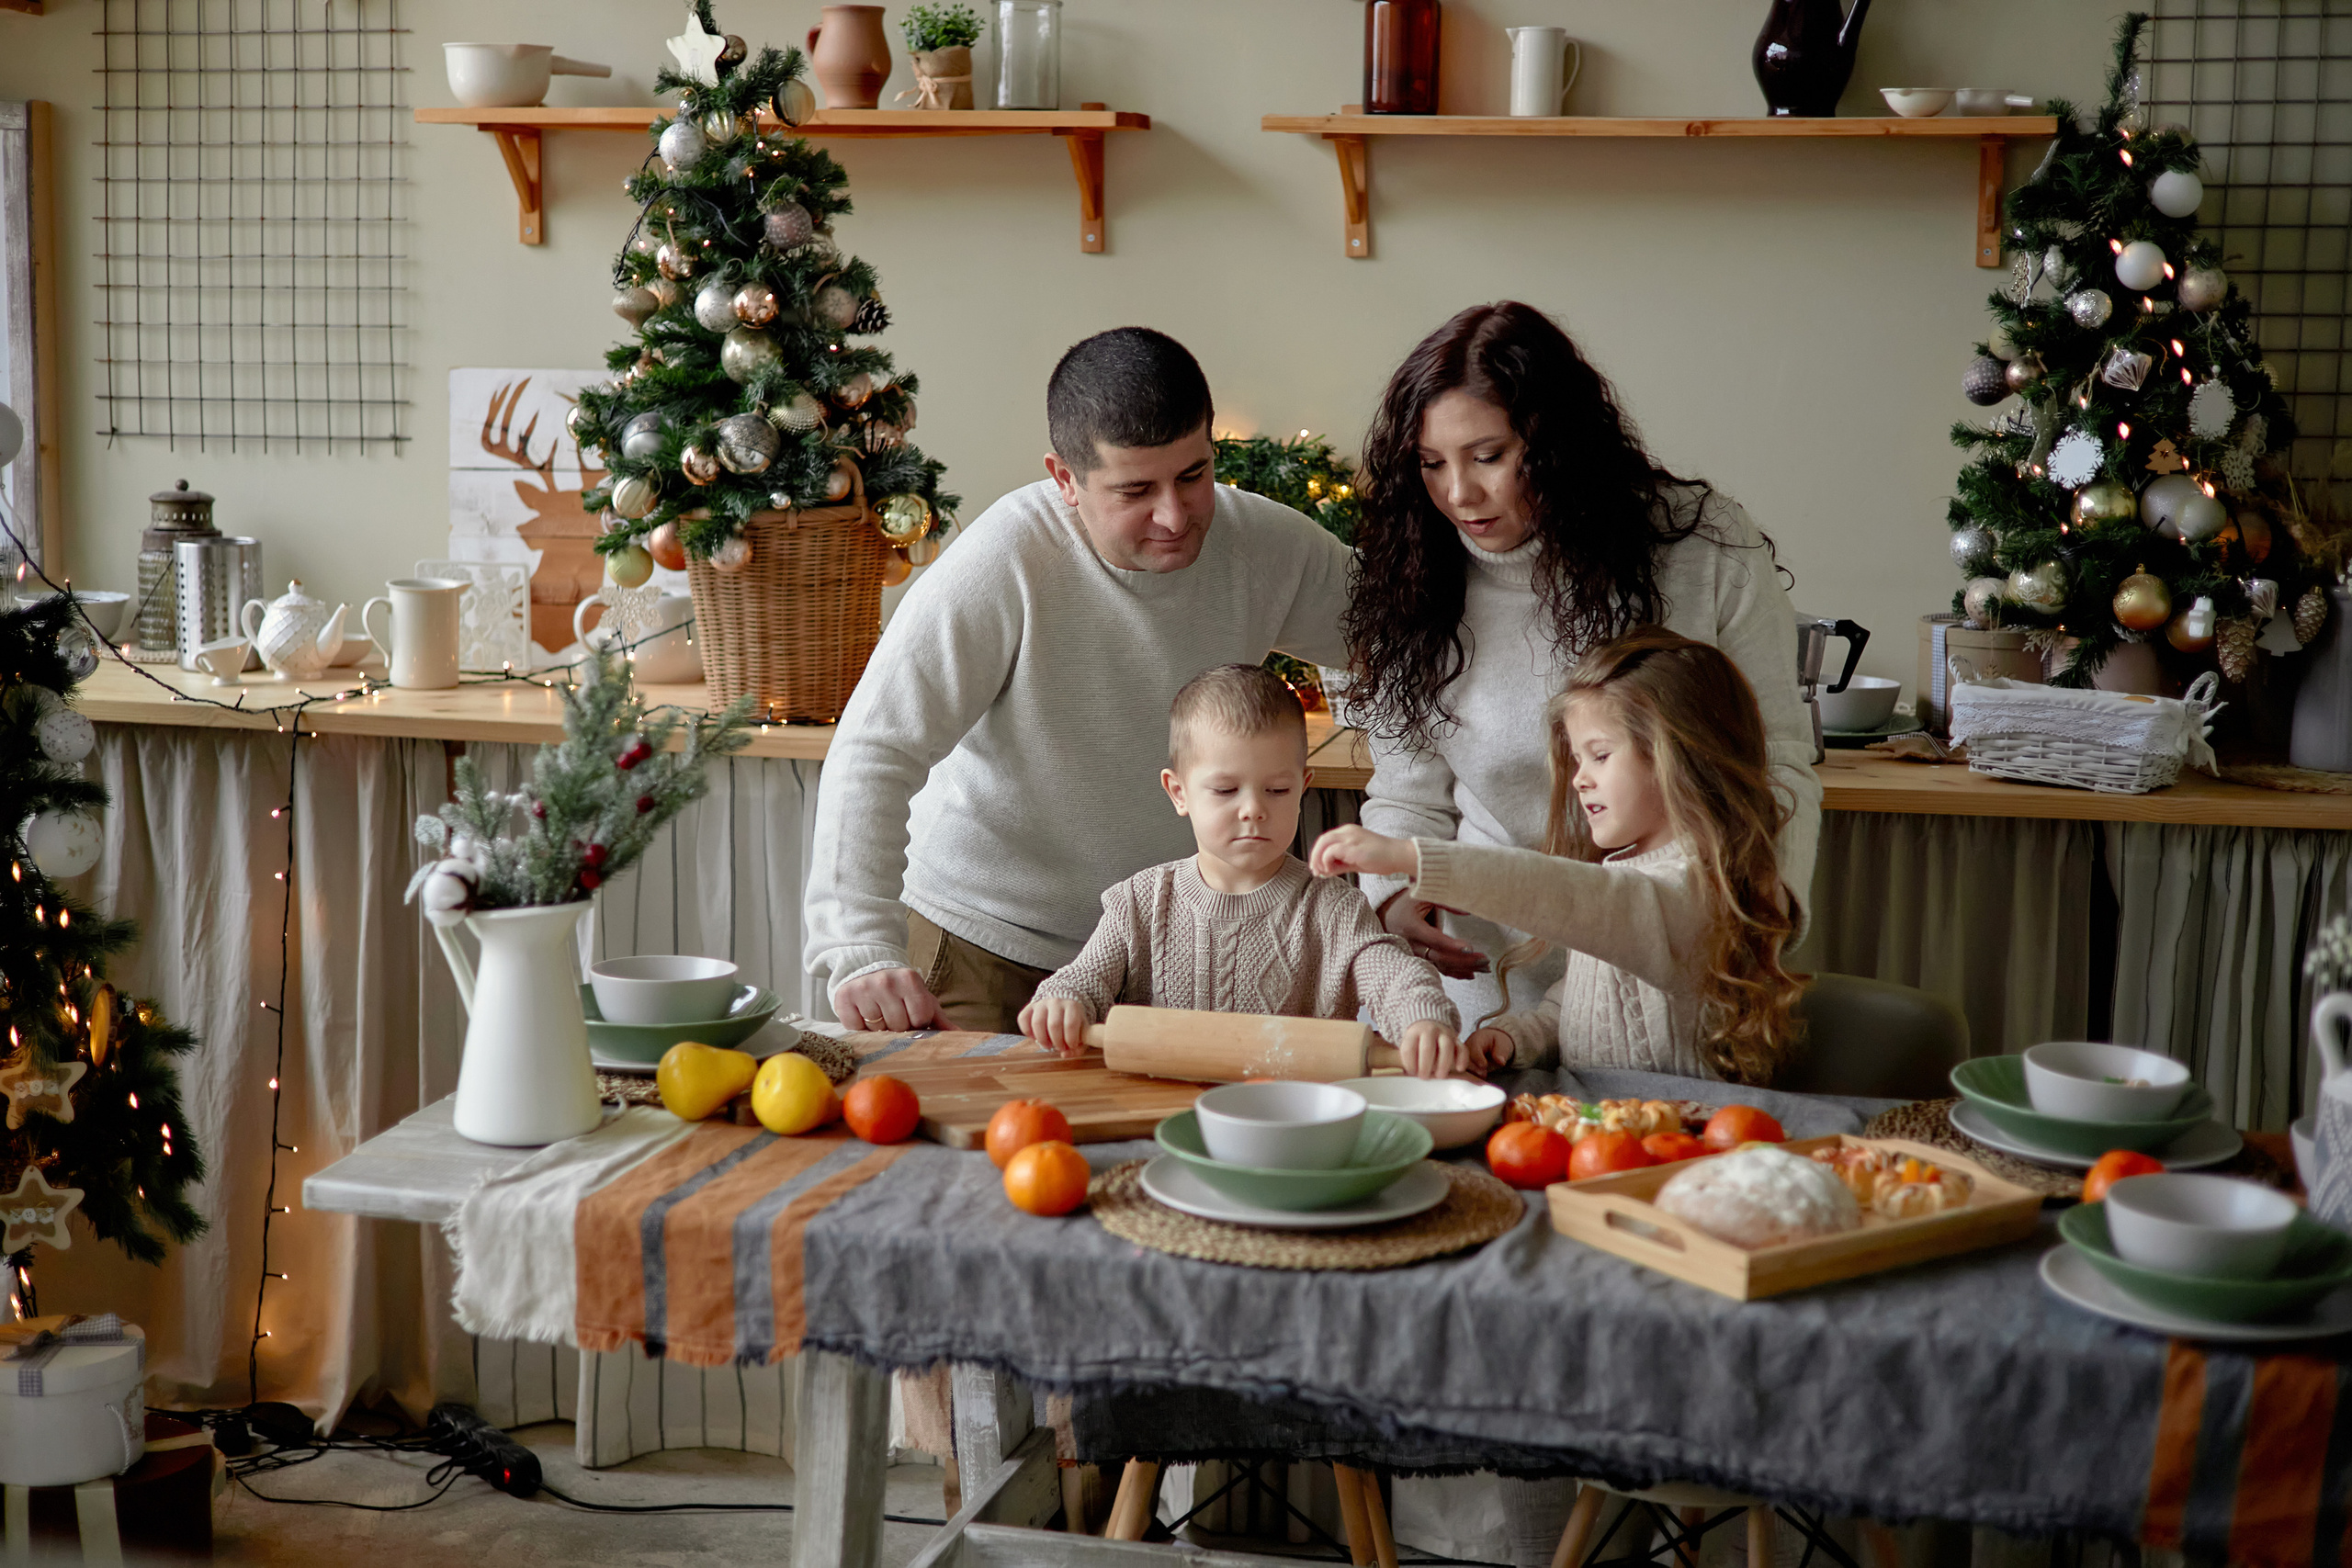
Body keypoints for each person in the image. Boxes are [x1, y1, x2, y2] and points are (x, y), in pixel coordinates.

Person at [804, 329, 1353, 1033]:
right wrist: (856, 942)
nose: (1175, 515)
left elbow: (1407, 650)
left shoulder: (1267, 545)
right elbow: (877, 746)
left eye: (1194, 474)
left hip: (1162, 951)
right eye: (1135, 490)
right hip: (983, 945)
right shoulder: (1004, 560)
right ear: (1064, 479)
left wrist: (1405, 841)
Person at [1342, 302, 1821, 1032]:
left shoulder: (1704, 549)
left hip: (1670, 967)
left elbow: (1777, 758)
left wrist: (1763, 909)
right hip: (1487, 982)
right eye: (1431, 464)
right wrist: (1393, 898)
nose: (1459, 495)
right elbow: (1408, 800)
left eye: (1489, 455)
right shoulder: (1411, 574)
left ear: (1556, 441)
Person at [1311, 627, 1805, 1084]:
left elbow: (1564, 894)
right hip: (1601, 1129)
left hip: (1675, 1141)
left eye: (1601, 754)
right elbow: (1581, 1005)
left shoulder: (1691, 892)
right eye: (1577, 757)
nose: (1579, 779)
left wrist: (1411, 857)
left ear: (1676, 755)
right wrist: (1518, 1036)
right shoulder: (1629, 873)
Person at [1021, 663, 1460, 1070]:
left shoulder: (1335, 911)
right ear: (1179, 793)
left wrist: (1422, 1018)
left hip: (1286, 1125)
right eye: (1226, 789)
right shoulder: (1138, 904)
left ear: (1302, 788)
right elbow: (1084, 979)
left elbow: (1392, 975)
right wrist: (1063, 1001)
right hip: (1159, 1115)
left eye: (1276, 789)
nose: (1253, 809)